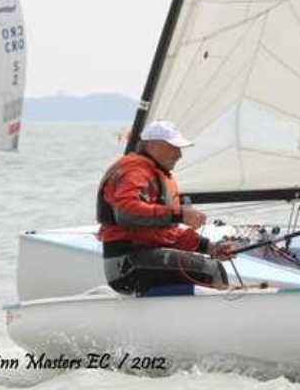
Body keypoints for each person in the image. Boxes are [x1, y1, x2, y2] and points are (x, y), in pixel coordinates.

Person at [97, 120, 233, 295]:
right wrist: (179, 214)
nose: (179, 154)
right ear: (152, 146)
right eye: (174, 147)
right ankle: (224, 309)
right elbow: (126, 213)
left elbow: (166, 233)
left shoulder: (154, 173)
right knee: (211, 270)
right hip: (126, 264)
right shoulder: (135, 171)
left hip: (141, 258)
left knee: (212, 267)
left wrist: (209, 247)